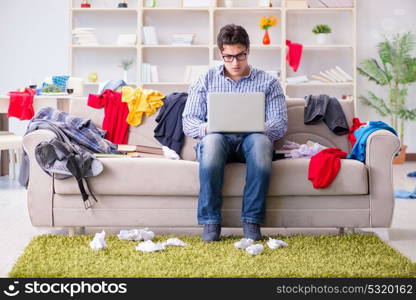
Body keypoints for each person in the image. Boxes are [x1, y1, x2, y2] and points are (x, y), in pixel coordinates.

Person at [182, 24, 288, 242]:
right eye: (228, 57)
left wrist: (259, 125)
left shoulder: (268, 82)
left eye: (240, 56)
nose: (235, 63)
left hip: (253, 140)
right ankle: (211, 222)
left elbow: (279, 124)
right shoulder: (206, 79)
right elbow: (189, 121)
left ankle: (251, 221)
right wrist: (207, 127)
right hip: (217, 141)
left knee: (260, 144)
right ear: (221, 53)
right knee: (211, 143)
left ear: (248, 50)